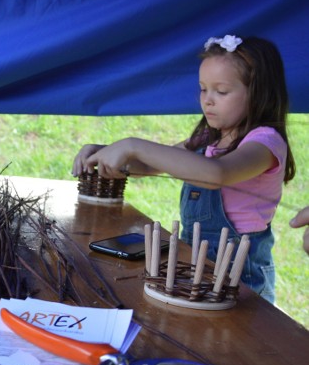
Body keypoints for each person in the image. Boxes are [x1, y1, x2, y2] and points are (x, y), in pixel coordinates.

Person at [72, 35, 295, 304]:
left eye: (221, 91)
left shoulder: (265, 143)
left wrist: (132, 145)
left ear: (259, 92)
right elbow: (149, 165)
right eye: (203, 89)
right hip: (197, 270)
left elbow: (217, 174)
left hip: (241, 279)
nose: (208, 100)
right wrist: (106, 153)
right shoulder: (208, 137)